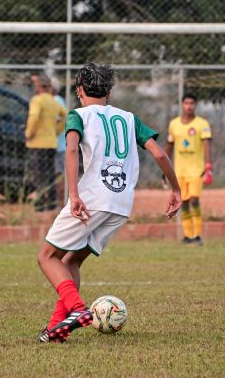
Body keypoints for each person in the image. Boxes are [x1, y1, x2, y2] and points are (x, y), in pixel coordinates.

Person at [36, 62, 182, 343]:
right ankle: (57, 329)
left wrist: (73, 195)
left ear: (79, 90)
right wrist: (175, 188)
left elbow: (70, 150)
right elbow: (160, 154)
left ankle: (78, 310)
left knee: (46, 256)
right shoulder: (128, 118)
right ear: (109, 91)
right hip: (120, 204)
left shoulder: (78, 115)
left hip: (91, 198)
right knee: (72, 260)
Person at [165, 94, 212, 246]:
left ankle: (198, 234)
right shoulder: (174, 124)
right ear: (182, 105)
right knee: (183, 202)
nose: (189, 106)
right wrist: (165, 167)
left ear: (195, 105)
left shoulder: (202, 124)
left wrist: (208, 166)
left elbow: (206, 145)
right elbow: (169, 145)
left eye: (192, 103)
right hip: (179, 171)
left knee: (194, 200)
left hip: (196, 170)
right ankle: (188, 235)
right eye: (186, 103)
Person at [25, 73, 67, 211]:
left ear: (38, 86)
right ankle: (52, 202)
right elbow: (65, 116)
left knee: (38, 174)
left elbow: (34, 117)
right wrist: (56, 130)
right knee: (49, 174)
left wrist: (29, 134)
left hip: (38, 143)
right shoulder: (53, 101)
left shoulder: (37, 100)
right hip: (51, 143)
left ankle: (40, 203)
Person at [52, 77, 67, 201]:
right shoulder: (58, 100)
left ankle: (60, 202)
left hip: (59, 145)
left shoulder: (56, 101)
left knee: (59, 175)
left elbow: (58, 121)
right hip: (59, 145)